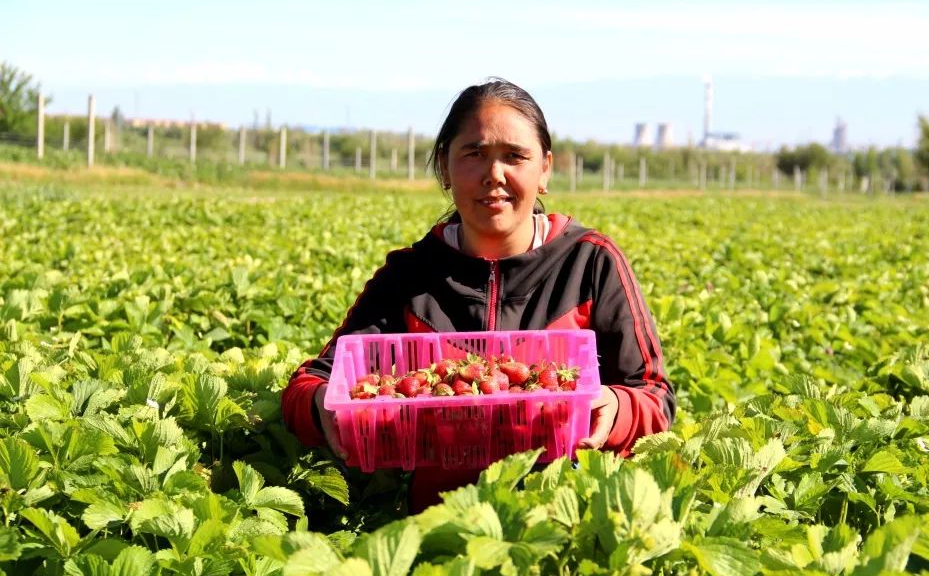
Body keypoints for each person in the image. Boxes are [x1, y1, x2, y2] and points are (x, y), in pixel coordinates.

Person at [281, 78, 675, 511]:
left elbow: (654, 395)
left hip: (564, 519)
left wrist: (615, 406)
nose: (494, 175)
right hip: (439, 524)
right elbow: (311, 383)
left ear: (544, 169)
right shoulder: (410, 276)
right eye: (474, 154)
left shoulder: (590, 264)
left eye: (514, 156)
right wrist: (323, 405)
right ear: (445, 168)